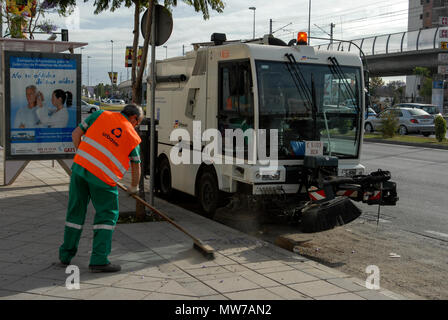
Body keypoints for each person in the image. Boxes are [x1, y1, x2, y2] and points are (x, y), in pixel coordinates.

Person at [58, 104, 143, 273]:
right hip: (103, 179)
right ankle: (99, 260)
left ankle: (65, 256)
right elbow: (136, 164)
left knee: (75, 212)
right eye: (138, 123)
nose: (137, 126)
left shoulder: (100, 115)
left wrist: (83, 156)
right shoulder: (132, 136)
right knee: (107, 215)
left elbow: (76, 134)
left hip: (79, 170)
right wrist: (134, 187)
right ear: (134, 118)